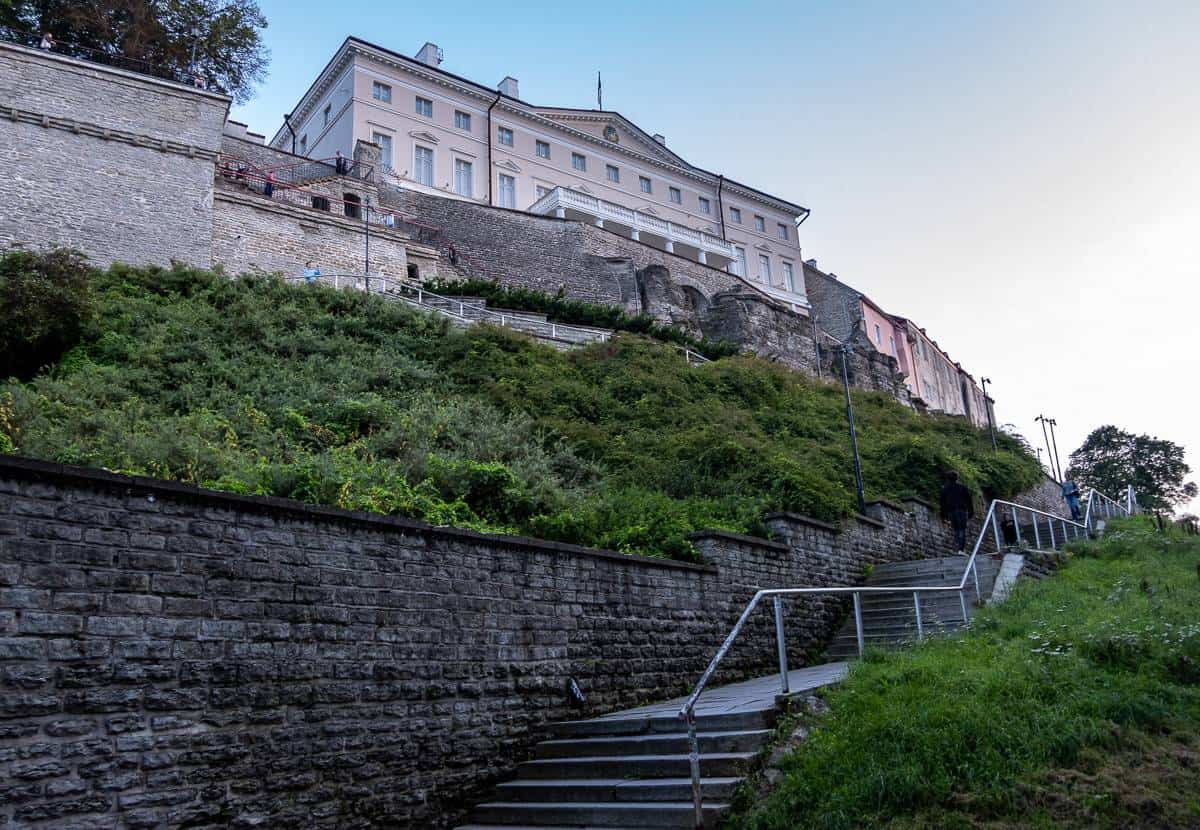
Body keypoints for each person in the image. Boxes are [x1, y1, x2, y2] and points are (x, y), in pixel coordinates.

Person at [939, 470, 974, 554]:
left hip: (951, 512)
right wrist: (971, 511)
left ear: (948, 478)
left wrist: (943, 515)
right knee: (961, 529)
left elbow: (942, 503)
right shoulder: (962, 487)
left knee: (956, 530)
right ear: (957, 478)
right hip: (961, 510)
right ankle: (960, 550)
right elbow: (968, 500)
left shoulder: (944, 489)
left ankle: (957, 549)